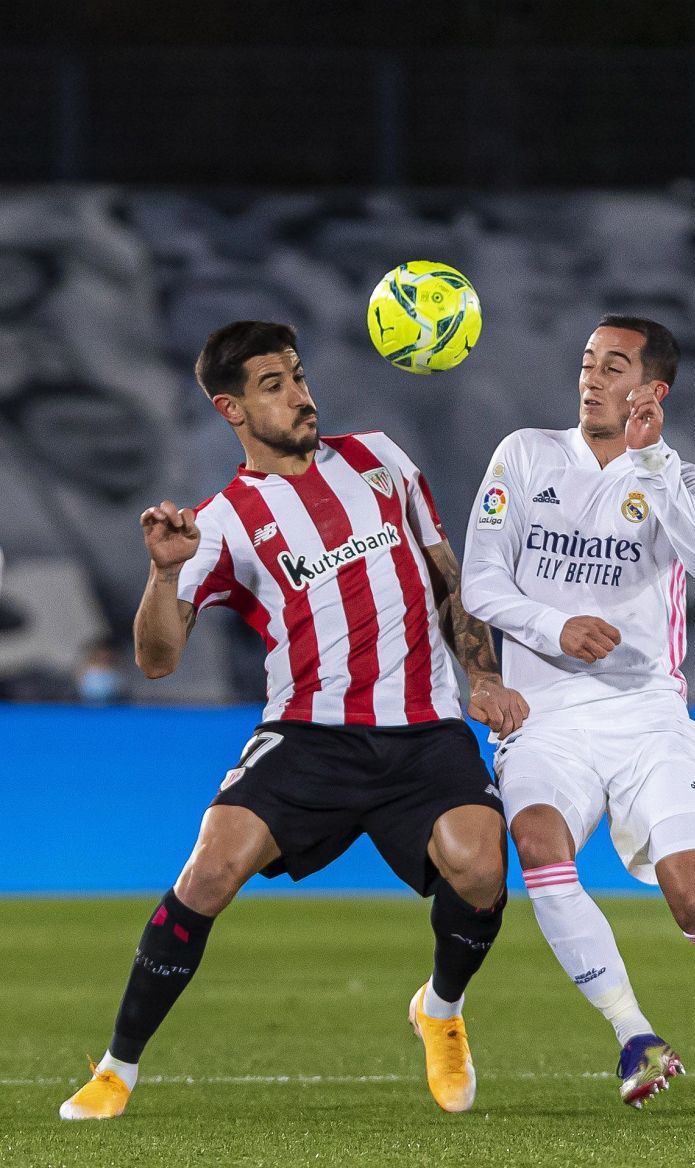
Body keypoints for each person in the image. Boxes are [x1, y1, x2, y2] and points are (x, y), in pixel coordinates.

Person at [60, 320, 528, 1121]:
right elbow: (158, 657)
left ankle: (441, 1011)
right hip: (310, 732)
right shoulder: (223, 519)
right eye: (274, 385)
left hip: (424, 727)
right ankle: (116, 1068)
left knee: (482, 868)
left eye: (299, 376)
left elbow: (446, 579)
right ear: (230, 409)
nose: (301, 396)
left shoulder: (382, 459)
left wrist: (481, 675)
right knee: (208, 871)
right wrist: (161, 575)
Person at [461, 315, 695, 1108]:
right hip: (545, 717)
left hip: (646, 717)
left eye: (614, 367)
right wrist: (554, 629)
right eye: (587, 363)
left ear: (652, 390)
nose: (591, 379)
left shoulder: (678, 479)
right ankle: (634, 1035)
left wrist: (652, 459)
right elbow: (480, 582)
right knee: (537, 843)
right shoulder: (525, 453)